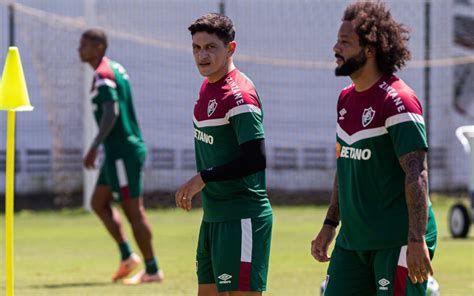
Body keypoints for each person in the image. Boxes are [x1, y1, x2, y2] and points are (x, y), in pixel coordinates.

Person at [310, 2, 437, 295]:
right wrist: (330, 223)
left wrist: (416, 240)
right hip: (353, 240)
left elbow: (416, 173)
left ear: (369, 49)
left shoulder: (398, 100)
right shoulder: (345, 99)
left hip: (399, 240)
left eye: (345, 42)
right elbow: (345, 165)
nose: (335, 48)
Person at [175, 13, 273, 296]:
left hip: (241, 216)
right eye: (196, 47)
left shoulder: (240, 96)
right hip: (214, 216)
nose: (202, 55)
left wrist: (203, 178)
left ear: (230, 48)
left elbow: (256, 159)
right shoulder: (208, 86)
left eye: (210, 47)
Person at [78, 28, 163, 285]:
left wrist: (94, 145)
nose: (79, 49)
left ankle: (152, 269)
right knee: (98, 202)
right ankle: (128, 256)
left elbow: (111, 112)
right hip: (117, 153)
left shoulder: (103, 75)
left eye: (84, 45)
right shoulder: (114, 68)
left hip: (122, 153)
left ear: (99, 47)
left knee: (133, 212)